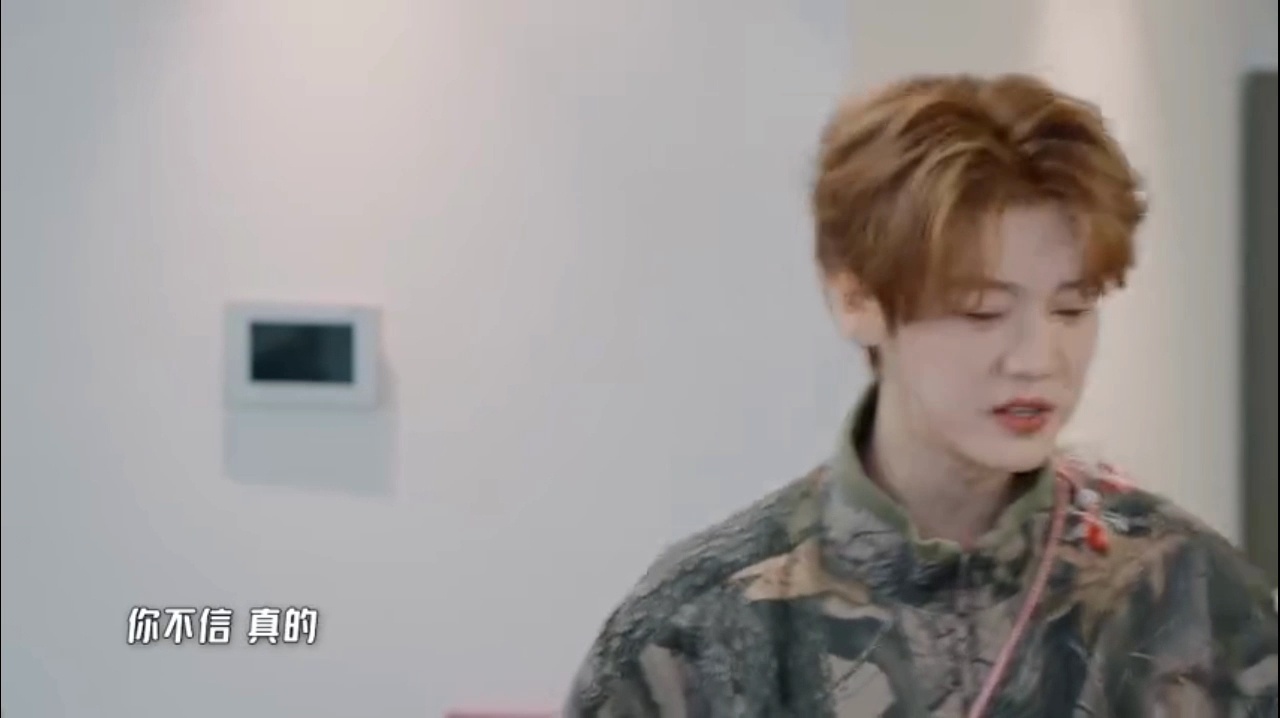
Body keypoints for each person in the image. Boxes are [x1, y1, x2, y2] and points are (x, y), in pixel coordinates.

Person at [562, 73, 1278, 717]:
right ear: (857, 299)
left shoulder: (1190, 595)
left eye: (1072, 308)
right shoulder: (699, 624)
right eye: (981, 312)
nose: (1038, 360)